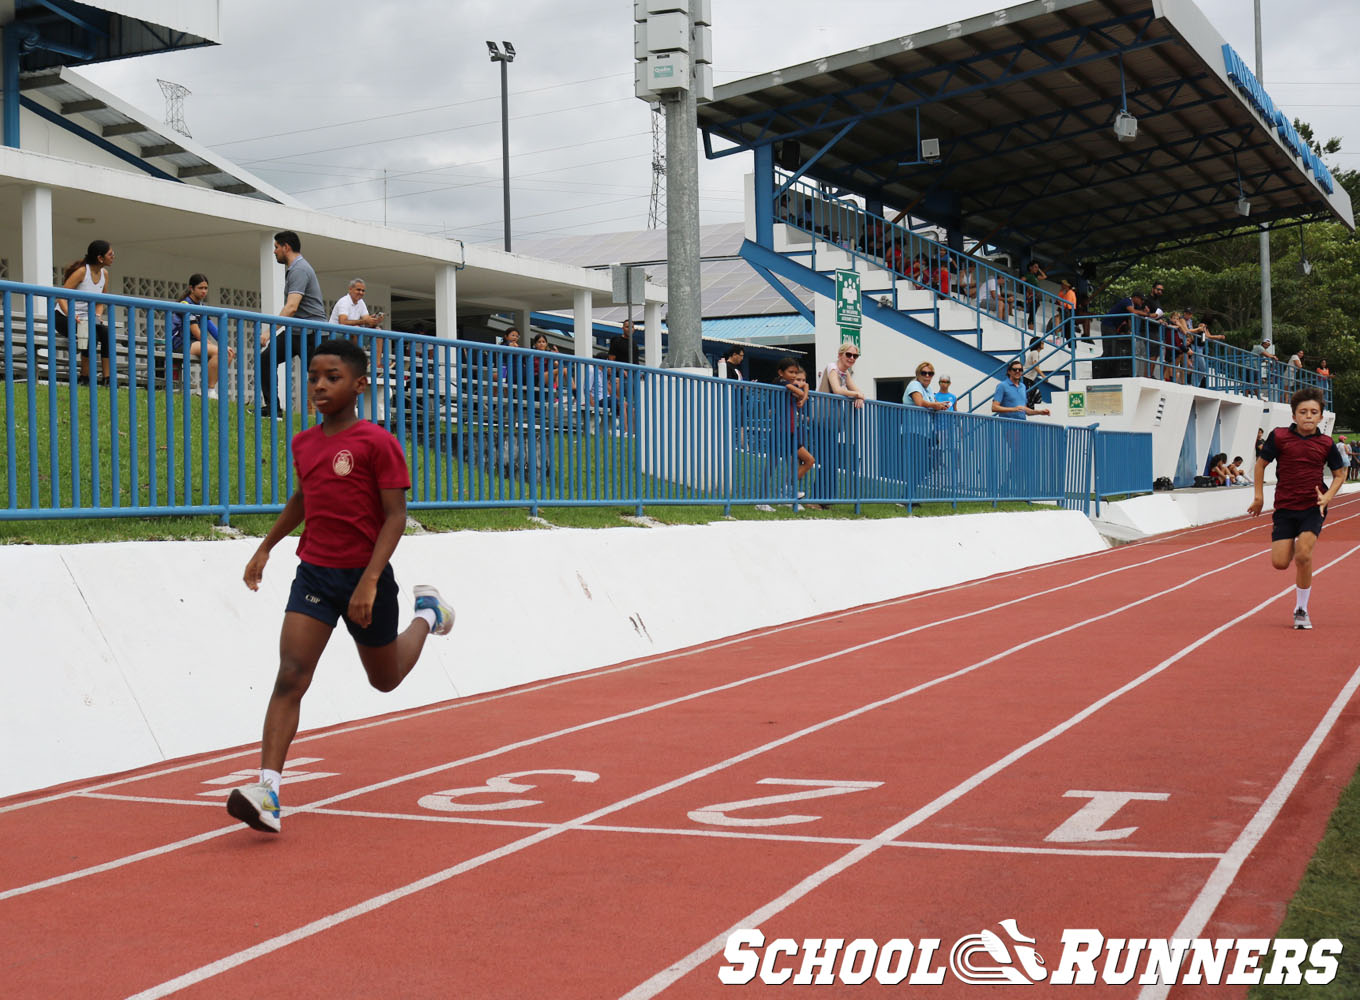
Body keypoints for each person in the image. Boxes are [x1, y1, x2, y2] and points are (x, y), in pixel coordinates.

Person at [228, 338, 455, 834]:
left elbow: (396, 518)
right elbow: (304, 498)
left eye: (332, 377)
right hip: (314, 573)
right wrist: (265, 546)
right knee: (291, 674)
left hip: (365, 576)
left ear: (358, 385)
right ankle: (267, 790)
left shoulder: (377, 442)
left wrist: (370, 582)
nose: (319, 386)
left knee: (385, 678)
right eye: (313, 377)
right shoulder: (305, 443)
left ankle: (428, 614)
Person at [1247, 386, 1349, 630]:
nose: (1308, 416)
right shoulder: (1280, 436)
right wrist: (1259, 497)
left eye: (1314, 412)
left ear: (1321, 417)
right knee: (1280, 562)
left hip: (1313, 506)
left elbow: (1339, 474)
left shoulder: (1326, 443)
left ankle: (1301, 609)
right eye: (1303, 412)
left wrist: (1328, 498)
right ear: (1294, 416)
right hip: (1285, 507)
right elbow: (1260, 466)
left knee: (1303, 555)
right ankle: (1293, 541)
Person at [257, 230, 326, 417]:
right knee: (265, 360)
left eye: (276, 247)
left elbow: (291, 307)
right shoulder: (295, 269)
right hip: (296, 331)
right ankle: (273, 409)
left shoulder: (300, 269)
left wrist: (269, 332)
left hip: (311, 333)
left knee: (321, 378)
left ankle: (341, 417)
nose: (274, 252)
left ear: (286, 247)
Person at [54, 239, 115, 386]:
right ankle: (84, 376)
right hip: (63, 317)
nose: (113, 256)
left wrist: (97, 315)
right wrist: (70, 314)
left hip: (87, 318)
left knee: (106, 333)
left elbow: (101, 300)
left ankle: (107, 379)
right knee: (90, 334)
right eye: (110, 254)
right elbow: (61, 296)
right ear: (100, 258)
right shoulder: (82, 272)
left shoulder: (104, 274)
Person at [168, 273, 235, 399]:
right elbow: (195, 330)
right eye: (200, 288)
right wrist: (212, 345)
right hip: (180, 343)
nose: (204, 291)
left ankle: (208, 390)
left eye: (206, 288)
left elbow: (213, 329)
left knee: (228, 353)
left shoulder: (201, 307)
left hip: (195, 343)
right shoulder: (185, 304)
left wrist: (225, 344)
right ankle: (208, 391)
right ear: (191, 288)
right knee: (220, 352)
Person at [775, 358, 815, 505]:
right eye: (793, 375)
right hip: (781, 432)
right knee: (774, 466)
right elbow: (800, 393)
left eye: (801, 378)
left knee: (809, 460)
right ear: (782, 373)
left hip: (790, 432)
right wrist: (805, 390)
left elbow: (801, 398)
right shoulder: (782, 384)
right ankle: (782, 493)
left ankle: (787, 490)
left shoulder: (789, 390)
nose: (795, 379)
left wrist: (804, 392)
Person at [819, 341, 866, 409]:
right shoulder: (832, 367)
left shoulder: (846, 372)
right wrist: (857, 394)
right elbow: (837, 390)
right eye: (848, 354)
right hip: (822, 409)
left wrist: (860, 397)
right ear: (840, 355)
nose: (852, 358)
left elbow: (858, 391)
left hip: (835, 411)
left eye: (855, 356)